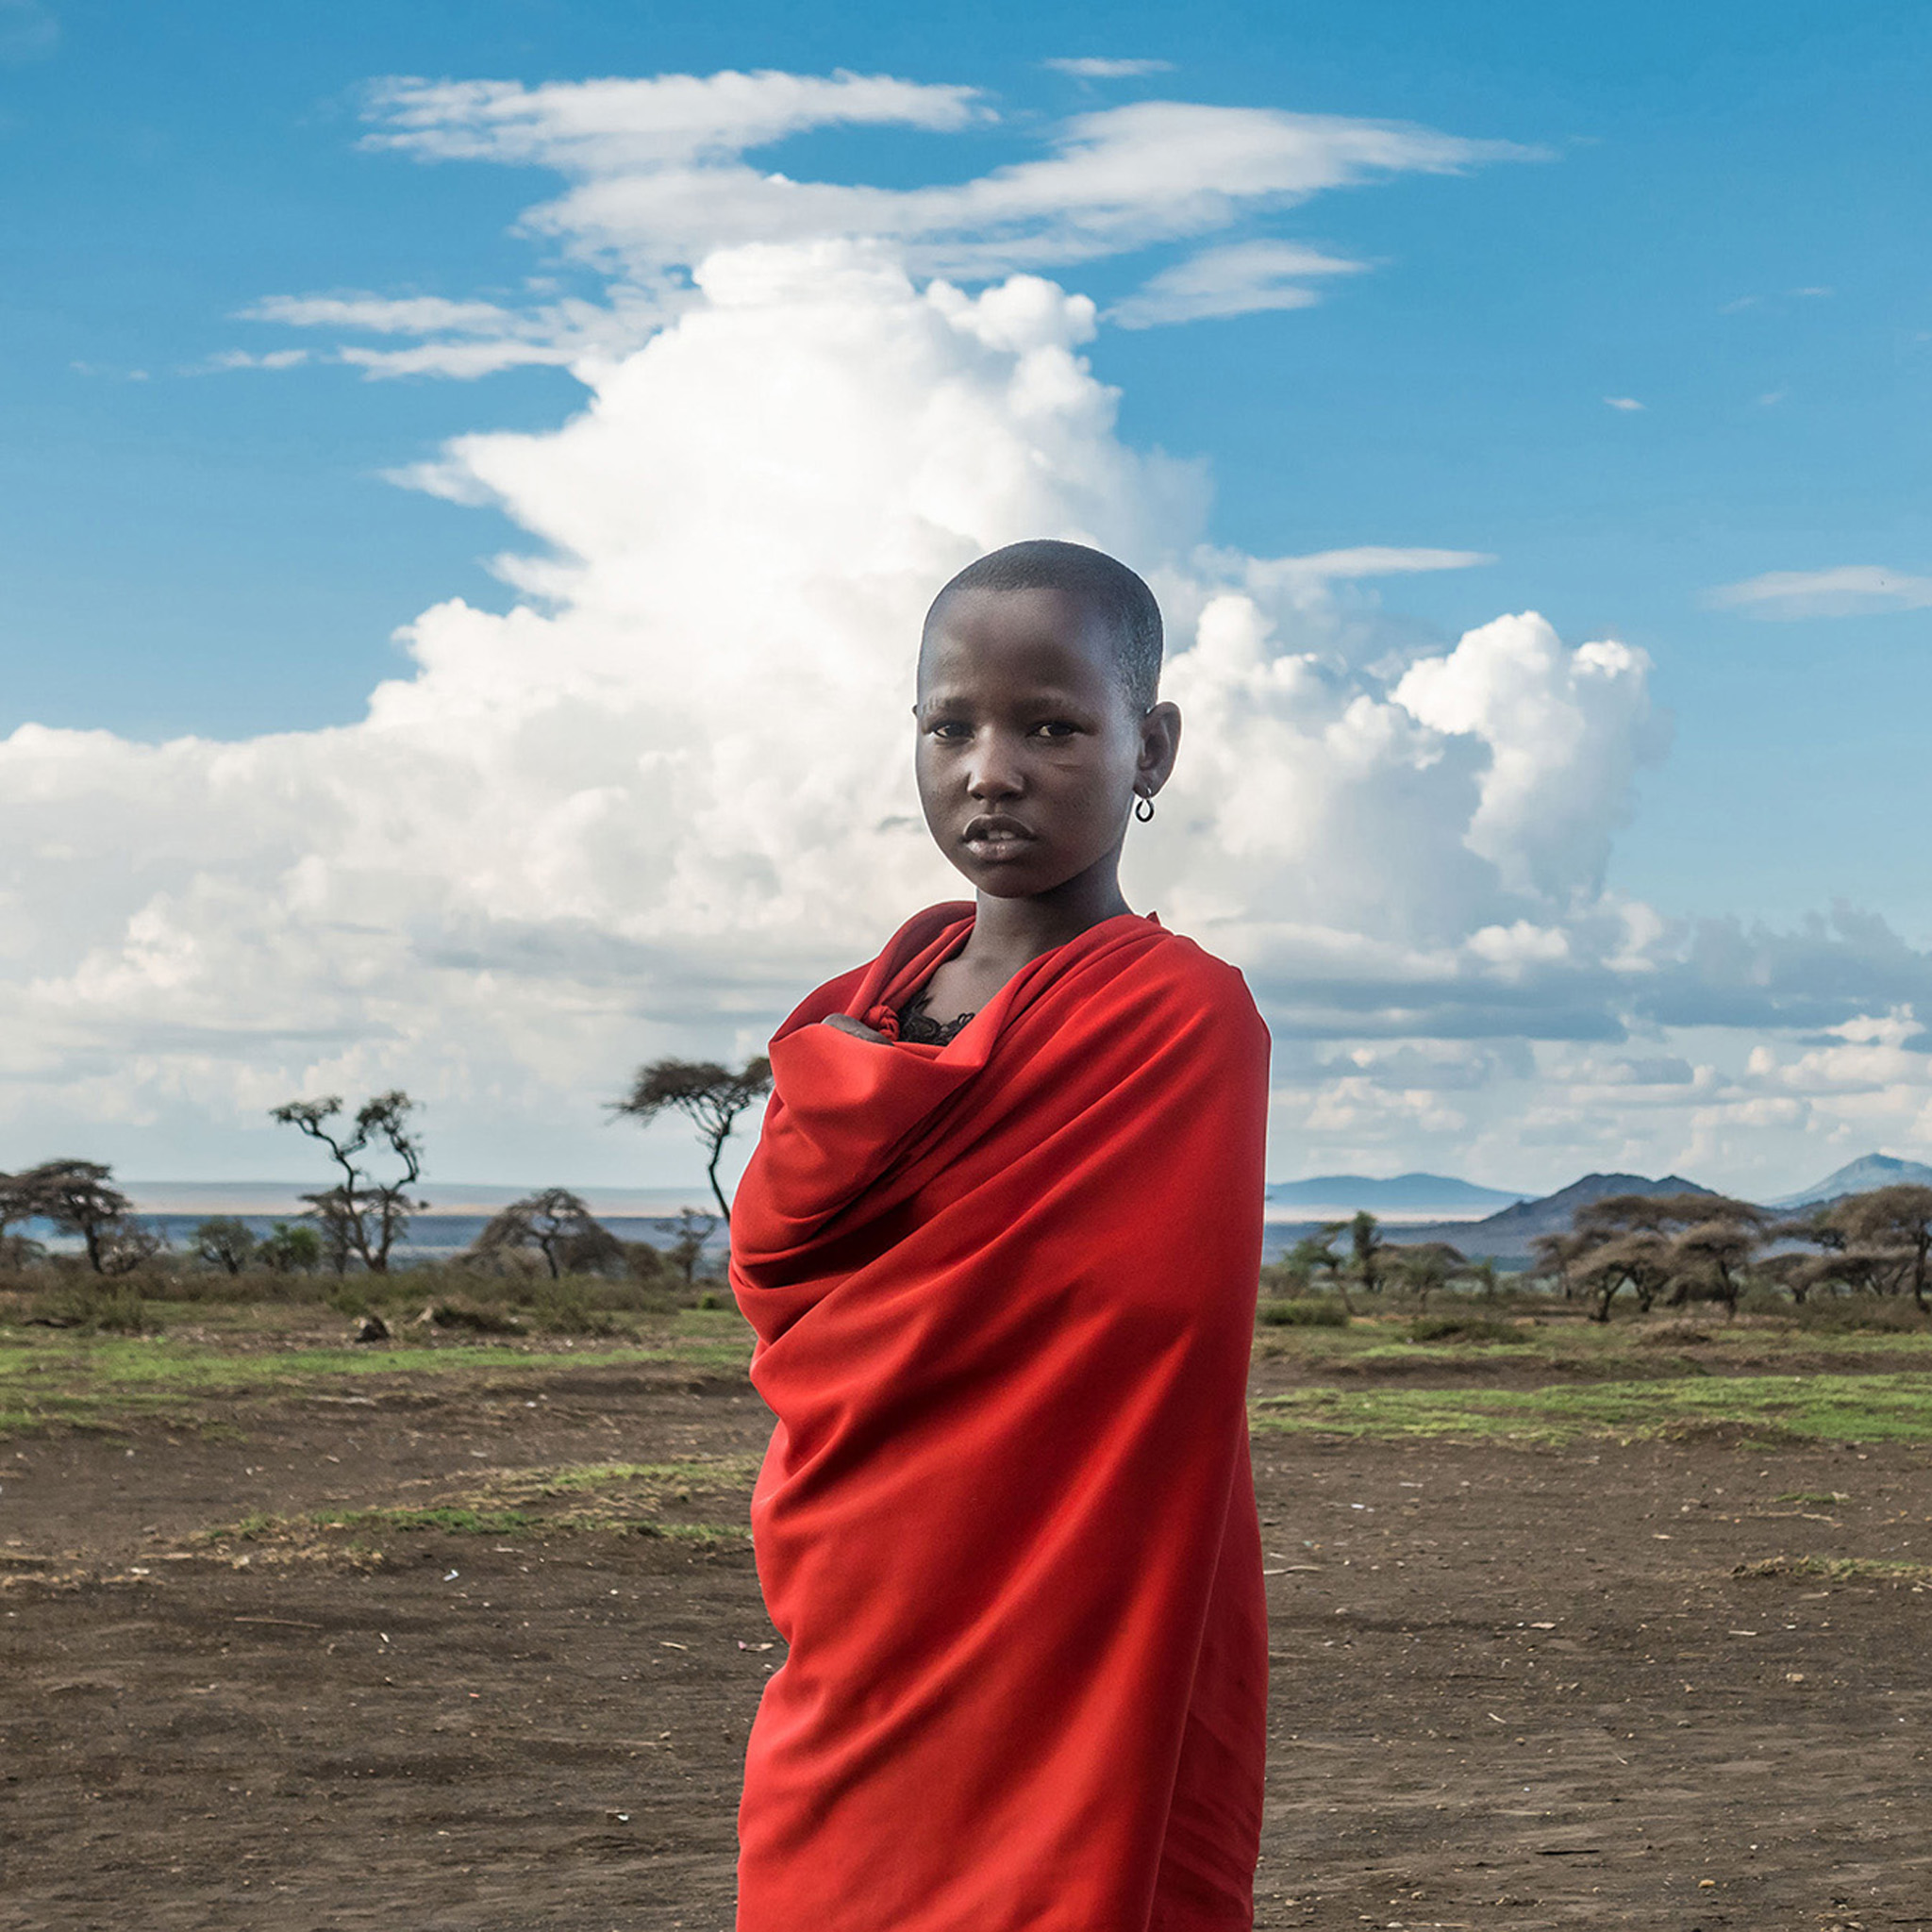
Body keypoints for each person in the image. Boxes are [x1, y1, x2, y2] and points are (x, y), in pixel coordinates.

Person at [729, 539, 1271, 1931]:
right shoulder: (852, 1014)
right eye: (951, 725)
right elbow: (786, 1277)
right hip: (858, 1602)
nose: (991, 769)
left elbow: (1151, 1341)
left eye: (1051, 726)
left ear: (1149, 747)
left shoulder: (1179, 1019)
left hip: (1067, 1606)